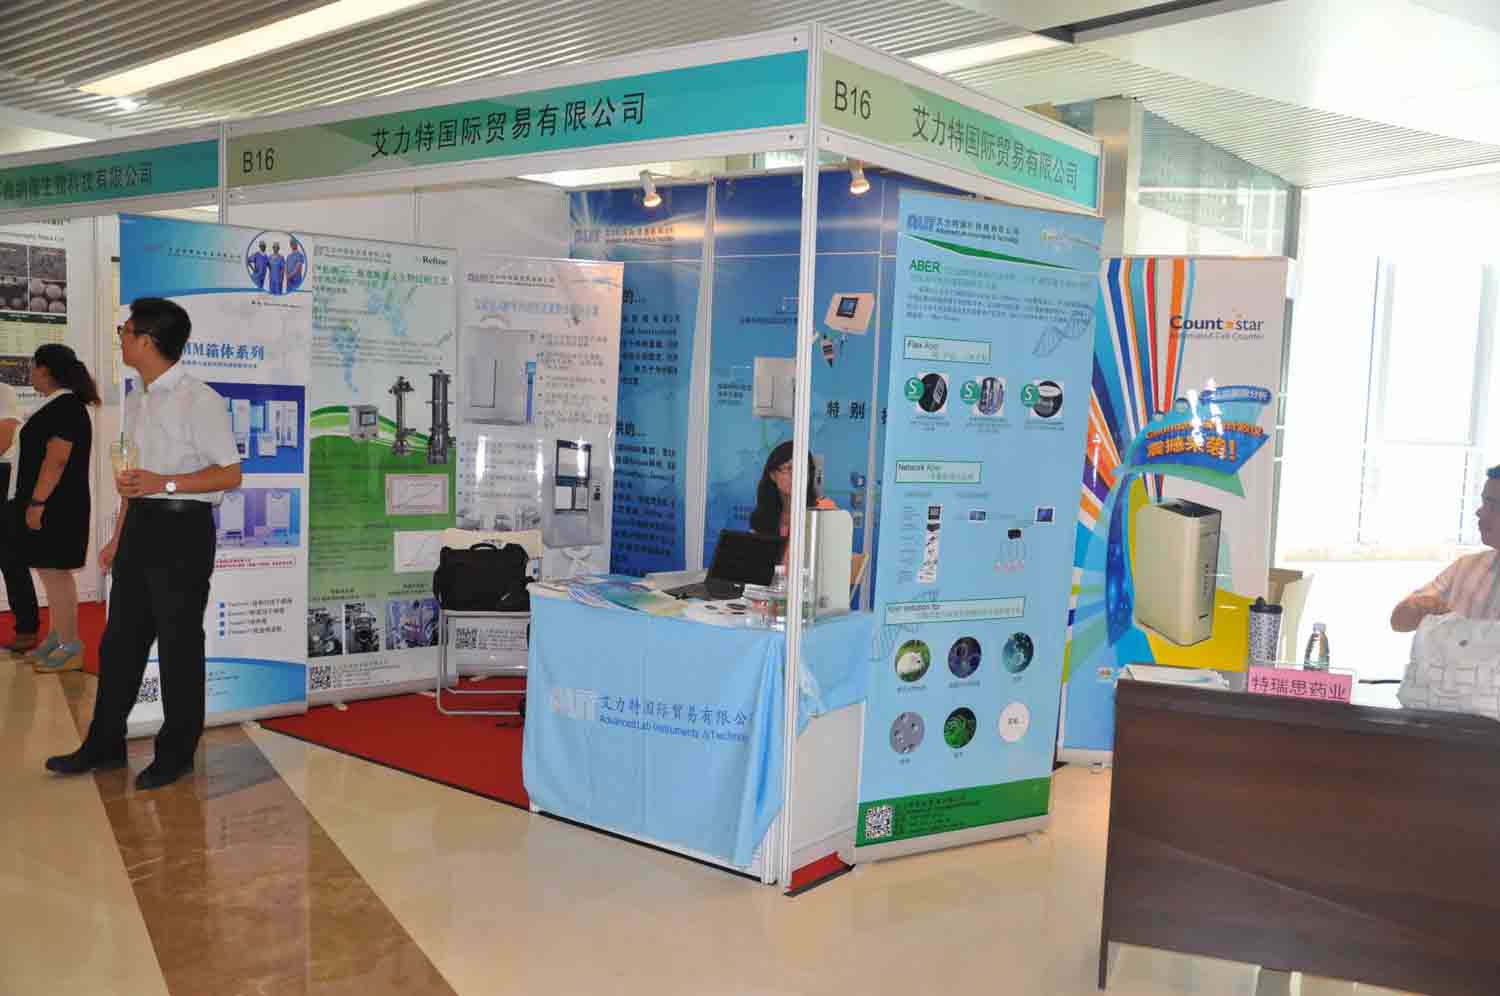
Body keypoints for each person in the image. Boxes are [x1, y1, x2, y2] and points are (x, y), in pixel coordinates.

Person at [46, 298, 241, 790]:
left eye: (126, 331)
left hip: (183, 530)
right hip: (141, 529)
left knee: (178, 645)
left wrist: (165, 483)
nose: (121, 337)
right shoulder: (138, 398)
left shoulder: (200, 399)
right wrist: (117, 537)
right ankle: (104, 744)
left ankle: (175, 754)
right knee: (120, 643)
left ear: (148, 341)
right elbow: (134, 479)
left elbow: (229, 474)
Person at [17, 345, 99, 672]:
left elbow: (57, 459)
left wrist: (38, 502)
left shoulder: (67, 408)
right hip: (51, 503)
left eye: (34, 367)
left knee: (57, 575)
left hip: (58, 506)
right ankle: (57, 637)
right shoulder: (57, 405)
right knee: (51, 574)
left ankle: (70, 645)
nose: (31, 374)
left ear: (45, 370)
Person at [1391, 465, 1500, 631]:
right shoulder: (1466, 567)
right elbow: (1399, 622)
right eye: (1484, 502)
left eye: (1493, 506)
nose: (1479, 512)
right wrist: (1422, 607)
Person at [0, 380, 41, 653]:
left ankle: (27, 628)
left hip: (3, 477)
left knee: (9, 556)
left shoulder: (3, 391)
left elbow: (3, 440)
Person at [749, 441, 836, 563]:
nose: (796, 475)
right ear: (773, 475)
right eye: (789, 468)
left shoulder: (823, 510)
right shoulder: (763, 516)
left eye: (802, 469)